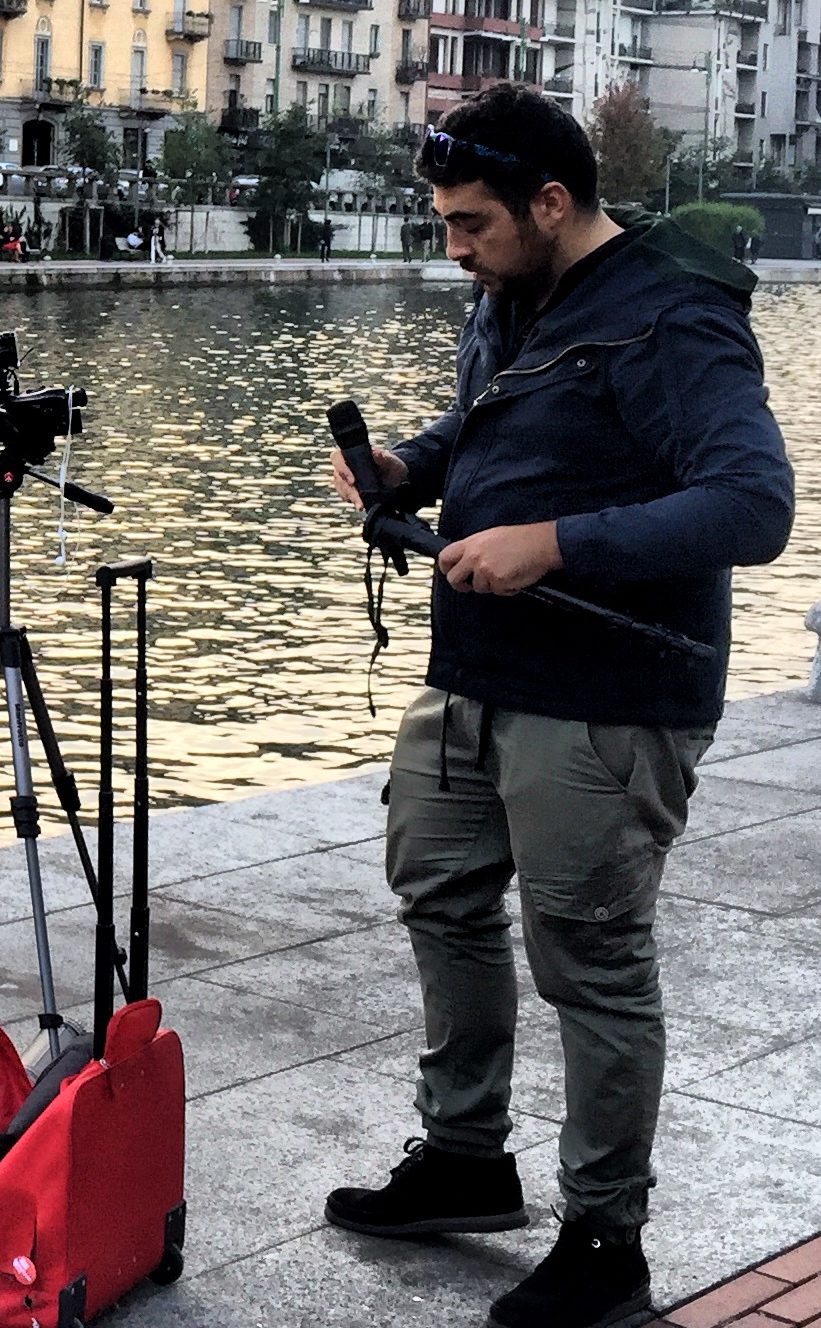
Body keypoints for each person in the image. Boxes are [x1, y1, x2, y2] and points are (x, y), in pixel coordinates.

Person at [320, 85, 793, 1328]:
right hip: (475, 671)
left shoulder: (676, 319)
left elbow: (753, 506)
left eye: (470, 224)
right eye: (441, 225)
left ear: (550, 201)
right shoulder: (509, 288)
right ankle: (467, 1157)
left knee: (588, 958)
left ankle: (604, 1238)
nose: (453, 249)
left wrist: (559, 542)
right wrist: (409, 464)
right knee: (439, 895)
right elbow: (496, 416)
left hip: (607, 696)